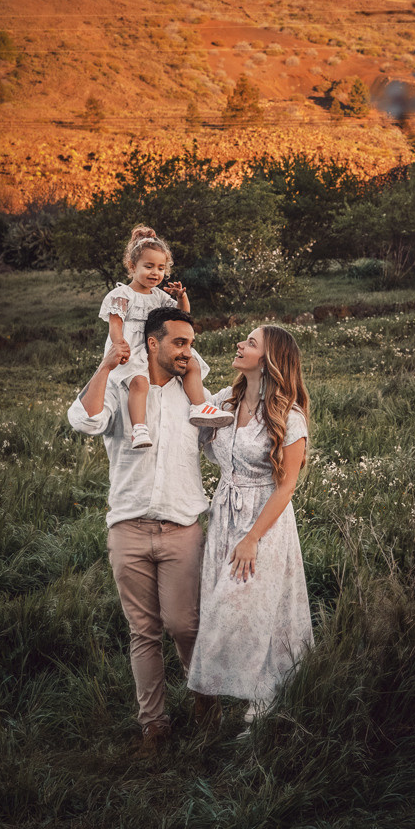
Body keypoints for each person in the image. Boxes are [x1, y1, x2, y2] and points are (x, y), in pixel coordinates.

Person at [67, 307, 215, 758]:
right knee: (144, 630)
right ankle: (154, 725)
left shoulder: (191, 394)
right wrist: (107, 364)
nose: (188, 352)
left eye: (190, 343)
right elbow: (84, 420)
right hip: (128, 528)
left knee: (184, 625)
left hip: (182, 528)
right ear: (154, 342)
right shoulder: (121, 388)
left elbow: (218, 443)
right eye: (181, 343)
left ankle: (207, 704)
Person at [187, 324, 313, 729]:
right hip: (224, 512)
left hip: (264, 523)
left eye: (251, 343)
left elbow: (287, 484)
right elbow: (195, 407)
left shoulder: (288, 416)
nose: (240, 345)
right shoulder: (227, 398)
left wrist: (253, 538)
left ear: (270, 359)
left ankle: (266, 702)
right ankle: (235, 697)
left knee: (247, 609)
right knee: (222, 608)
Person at [99, 224, 232, 448]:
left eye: (161, 268)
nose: (155, 273)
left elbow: (181, 317)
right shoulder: (122, 294)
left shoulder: (159, 296)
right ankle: (139, 429)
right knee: (139, 383)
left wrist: (181, 297)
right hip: (132, 347)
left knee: (192, 363)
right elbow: (115, 324)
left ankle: (199, 405)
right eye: (148, 266)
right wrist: (119, 345)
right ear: (132, 266)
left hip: (158, 346)